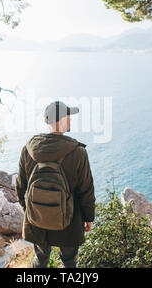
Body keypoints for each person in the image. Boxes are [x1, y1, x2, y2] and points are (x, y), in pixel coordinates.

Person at [15, 100, 96, 268]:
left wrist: (30, 210)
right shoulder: (78, 152)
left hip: (37, 220)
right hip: (69, 221)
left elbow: (20, 187)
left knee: (40, 260)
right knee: (69, 261)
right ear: (60, 120)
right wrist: (88, 217)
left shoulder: (28, 149)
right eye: (68, 116)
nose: (70, 120)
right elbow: (86, 190)